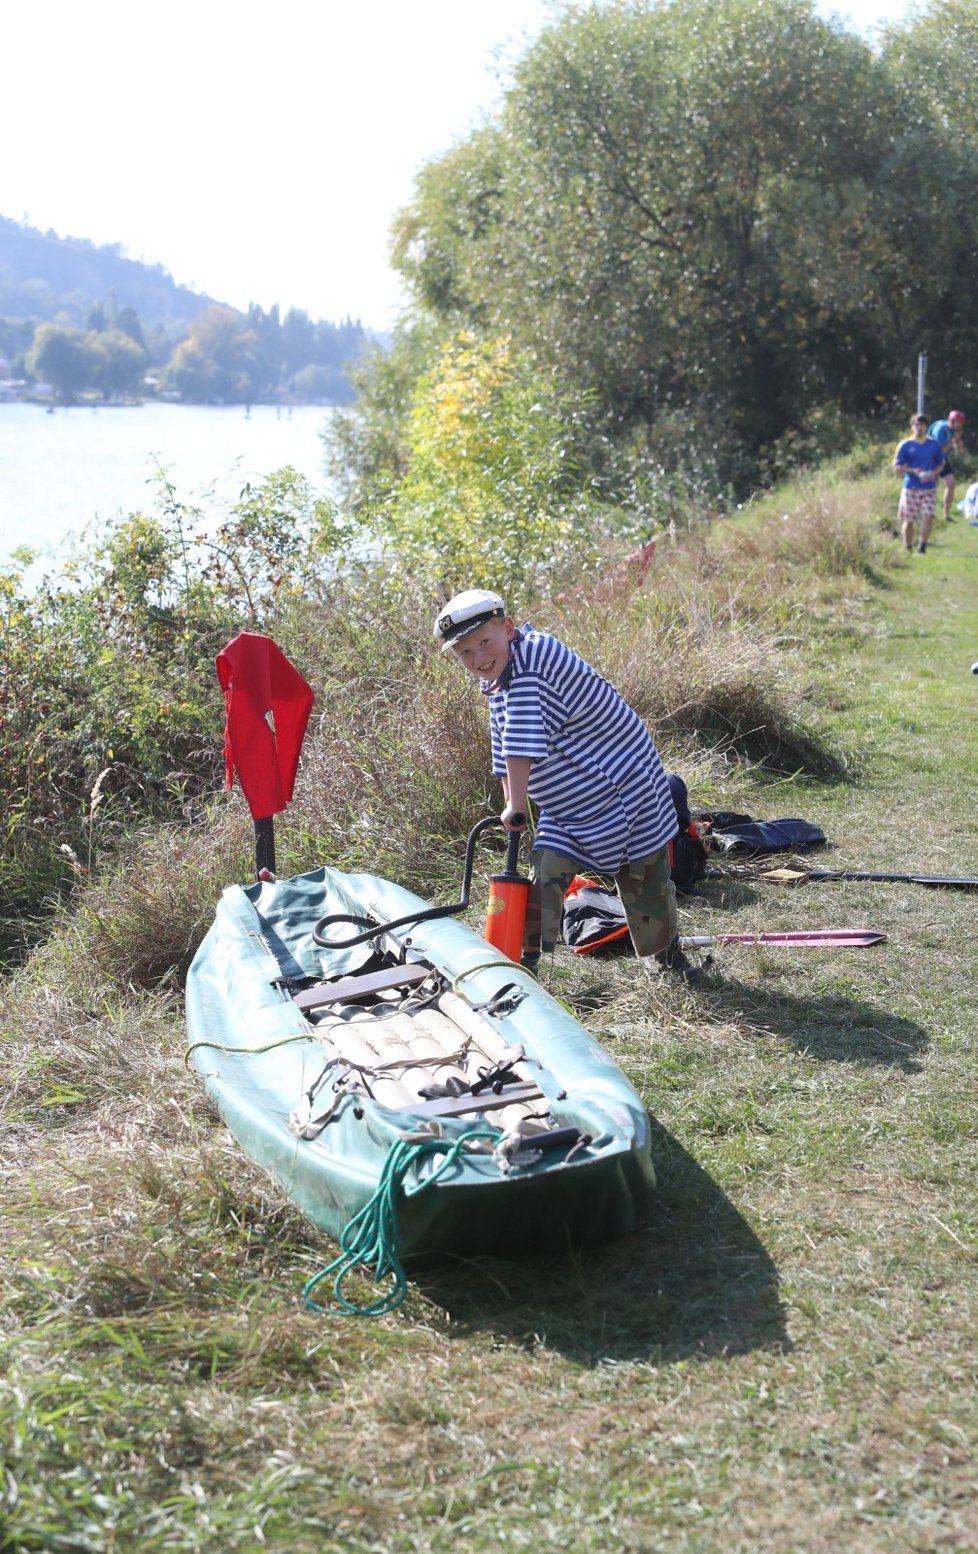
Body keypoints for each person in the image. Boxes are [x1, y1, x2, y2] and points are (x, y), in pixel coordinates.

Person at [434, 588, 705, 984]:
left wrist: (516, 804)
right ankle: (521, 966)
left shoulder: (530, 665)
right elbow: (503, 741)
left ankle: (667, 962)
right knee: (546, 874)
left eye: (483, 643)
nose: (477, 658)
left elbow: (520, 744)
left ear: (507, 629)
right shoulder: (501, 671)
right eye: (465, 653)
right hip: (572, 802)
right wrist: (513, 801)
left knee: (642, 873)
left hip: (622, 784)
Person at [894, 413, 944, 553]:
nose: (919, 427)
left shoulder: (934, 445)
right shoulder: (905, 445)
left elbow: (941, 464)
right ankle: (908, 546)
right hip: (911, 487)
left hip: (929, 487)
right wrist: (913, 470)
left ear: (926, 427)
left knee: (928, 517)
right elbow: (897, 468)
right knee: (909, 520)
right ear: (912, 427)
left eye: (922, 425)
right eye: (916, 424)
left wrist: (934, 473)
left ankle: (922, 546)